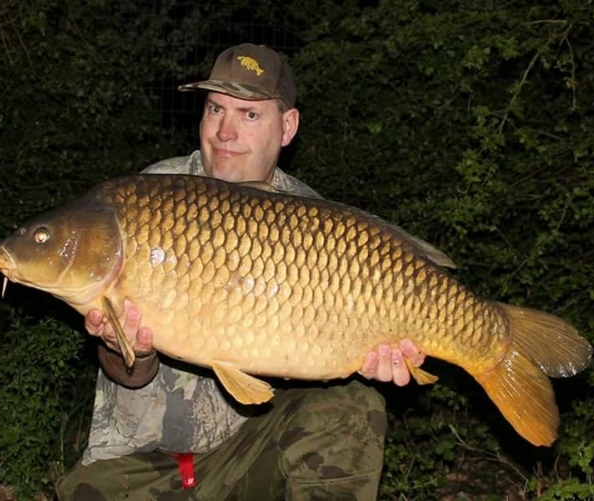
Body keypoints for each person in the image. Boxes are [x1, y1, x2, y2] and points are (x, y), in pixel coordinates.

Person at [56, 43, 425, 501]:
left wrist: (375, 354)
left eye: (249, 115)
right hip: (150, 466)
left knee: (353, 407)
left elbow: (334, 357)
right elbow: (126, 374)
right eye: (215, 109)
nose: (225, 131)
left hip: (253, 455)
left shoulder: (318, 226)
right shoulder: (148, 200)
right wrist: (123, 348)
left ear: (287, 127)